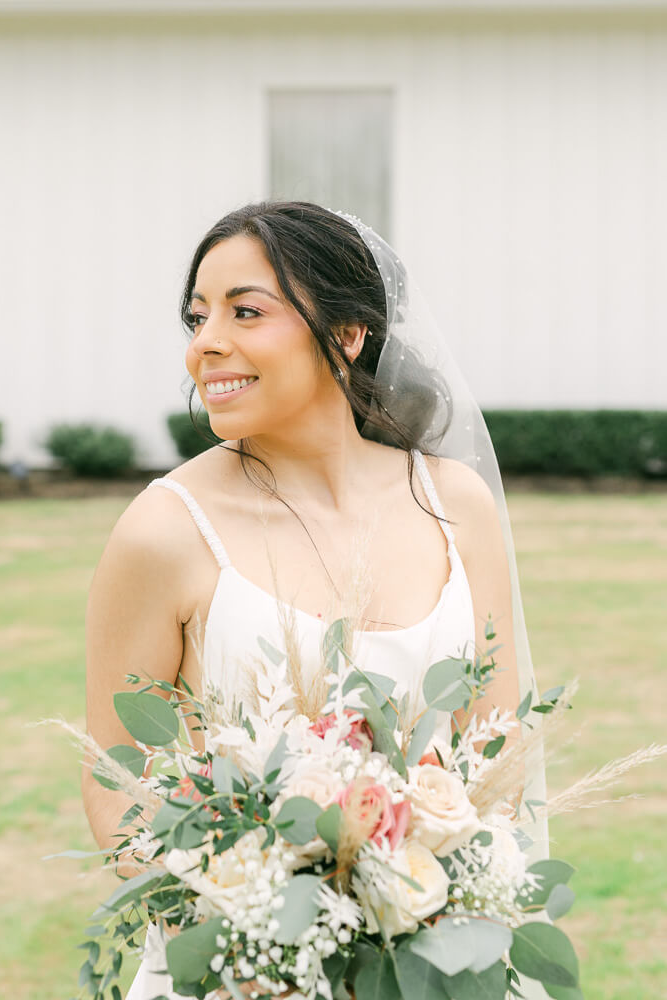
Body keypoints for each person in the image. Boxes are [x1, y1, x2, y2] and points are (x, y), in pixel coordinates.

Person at [82, 201, 547, 1000]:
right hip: (243, 970)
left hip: (440, 962)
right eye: (198, 318)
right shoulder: (163, 531)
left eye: (246, 311)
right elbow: (118, 780)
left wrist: (451, 910)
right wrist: (245, 934)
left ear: (347, 333)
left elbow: (498, 755)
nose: (206, 344)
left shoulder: (455, 505)